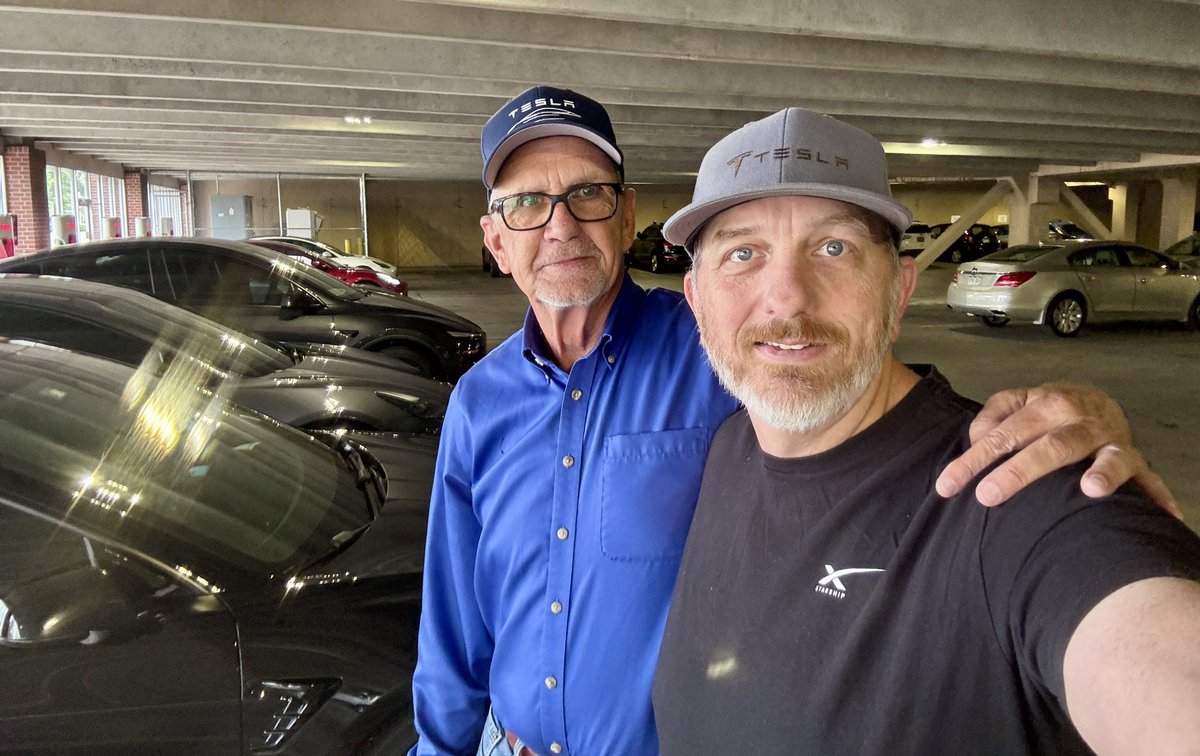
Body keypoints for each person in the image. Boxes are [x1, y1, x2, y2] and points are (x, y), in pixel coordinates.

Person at [410, 86, 1175, 756]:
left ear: (628, 214)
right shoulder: (480, 401)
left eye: (588, 194)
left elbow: (863, 396)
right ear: (494, 239)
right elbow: (454, 623)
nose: (561, 225)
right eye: (526, 203)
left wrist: (1073, 412)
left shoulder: (721, 351)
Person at [651, 106, 1200, 753]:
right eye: (743, 253)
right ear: (696, 299)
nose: (788, 297)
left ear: (900, 288)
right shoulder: (726, 448)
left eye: (834, 247)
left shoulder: (1018, 492)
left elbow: (1155, 655)